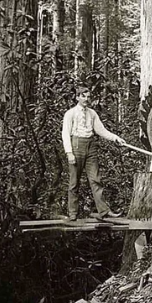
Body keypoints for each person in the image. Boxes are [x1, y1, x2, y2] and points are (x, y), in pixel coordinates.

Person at [61, 86, 126, 220]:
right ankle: (73, 214)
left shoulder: (92, 113)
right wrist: (69, 153)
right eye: (83, 96)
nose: (86, 99)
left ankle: (104, 211)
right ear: (77, 97)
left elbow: (101, 130)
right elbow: (65, 134)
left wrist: (116, 138)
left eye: (88, 96)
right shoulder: (70, 113)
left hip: (90, 146)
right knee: (74, 182)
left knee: (95, 179)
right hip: (76, 145)